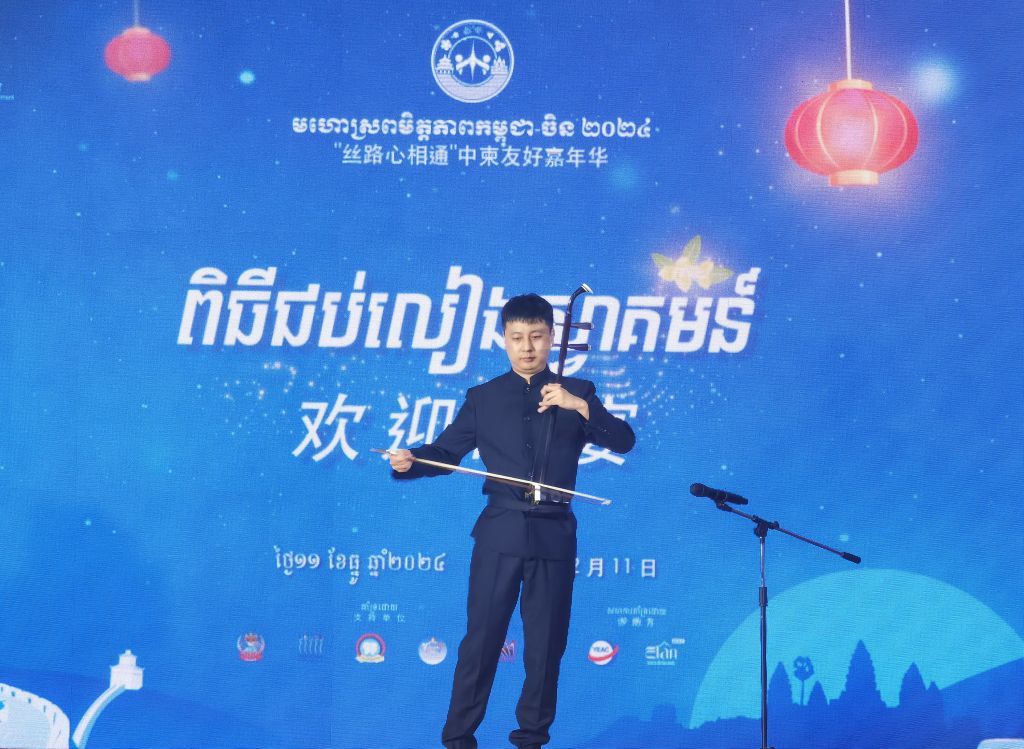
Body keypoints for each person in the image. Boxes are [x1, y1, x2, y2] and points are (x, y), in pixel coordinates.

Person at [388, 293, 635, 749]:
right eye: (517, 337)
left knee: (545, 648)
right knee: (481, 641)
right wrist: (411, 460)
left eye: (537, 337)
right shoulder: (483, 398)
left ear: (552, 337)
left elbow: (623, 440)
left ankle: (531, 739)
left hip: (554, 535)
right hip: (499, 532)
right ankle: (458, 738)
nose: (527, 347)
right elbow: (445, 453)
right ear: (504, 339)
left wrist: (580, 407)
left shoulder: (577, 391)